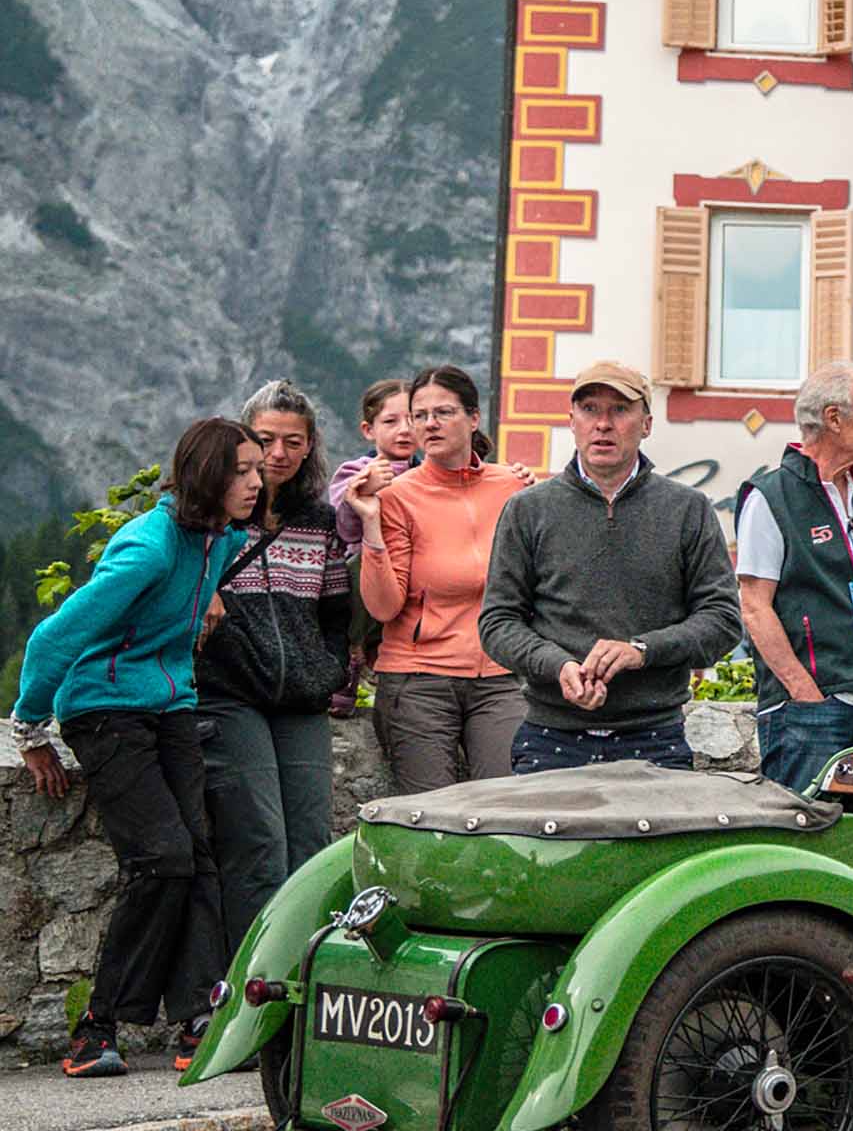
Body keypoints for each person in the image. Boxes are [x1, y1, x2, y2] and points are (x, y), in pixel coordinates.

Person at [14, 420, 260, 1078]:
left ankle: (195, 1022)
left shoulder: (217, 540)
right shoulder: (150, 548)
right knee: (162, 858)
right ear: (208, 475)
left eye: (257, 469)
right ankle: (96, 1029)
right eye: (243, 470)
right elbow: (54, 638)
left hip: (171, 707)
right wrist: (31, 730)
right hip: (105, 712)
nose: (256, 482)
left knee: (199, 857)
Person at [481, 362, 740, 773]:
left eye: (620, 410)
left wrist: (642, 651)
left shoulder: (688, 510)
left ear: (647, 424)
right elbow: (497, 622)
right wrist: (558, 665)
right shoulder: (528, 510)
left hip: (654, 737)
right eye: (589, 409)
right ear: (571, 421)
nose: (602, 424)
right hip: (551, 737)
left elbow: (723, 621)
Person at [194, 382, 357, 966]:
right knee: (258, 844)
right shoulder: (209, 521)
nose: (278, 454)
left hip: (301, 699)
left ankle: (303, 982)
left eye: (293, 441)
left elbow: (337, 612)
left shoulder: (319, 521)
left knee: (312, 846)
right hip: (230, 696)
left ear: (310, 446)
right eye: (265, 440)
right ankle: (253, 986)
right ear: (243, 441)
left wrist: (329, 668)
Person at [739, 361, 853, 792]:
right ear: (834, 419)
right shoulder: (771, 497)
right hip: (808, 712)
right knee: (804, 834)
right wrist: (804, 692)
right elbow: (754, 606)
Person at [351, 365, 535, 793]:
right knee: (431, 817)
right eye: (420, 414)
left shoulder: (515, 489)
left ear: (473, 418)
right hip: (418, 681)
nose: (429, 424)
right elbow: (382, 608)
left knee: (506, 808)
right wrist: (371, 527)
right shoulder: (397, 496)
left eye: (444, 412)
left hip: (499, 677)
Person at [329, 376, 414, 557]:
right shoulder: (353, 473)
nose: (405, 429)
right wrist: (362, 492)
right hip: (370, 570)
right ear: (369, 430)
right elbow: (345, 530)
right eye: (391, 421)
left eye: (413, 419)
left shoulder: (428, 474)